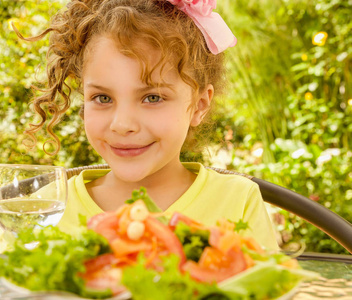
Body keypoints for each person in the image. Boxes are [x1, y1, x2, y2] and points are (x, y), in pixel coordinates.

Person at [16, 0, 279, 250]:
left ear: (199, 105)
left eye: (152, 98)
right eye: (103, 98)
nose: (123, 124)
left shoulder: (237, 200)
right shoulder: (51, 206)